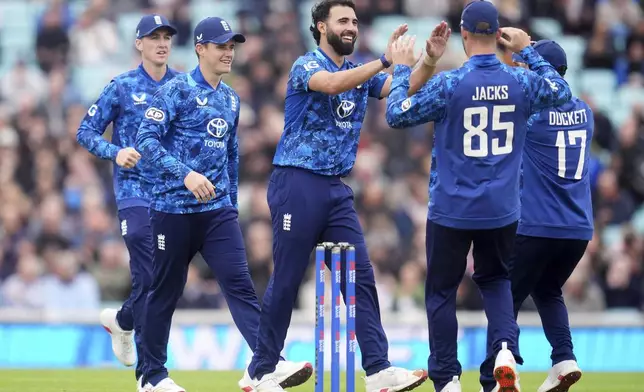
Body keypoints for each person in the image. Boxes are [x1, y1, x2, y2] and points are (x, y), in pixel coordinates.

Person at [244, 0, 450, 391]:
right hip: (297, 182)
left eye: (354, 21)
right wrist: (385, 62)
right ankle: (260, 370)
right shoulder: (307, 65)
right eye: (342, 21)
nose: (351, 27)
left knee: (359, 277)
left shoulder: (362, 72)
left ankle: (377, 369)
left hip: (336, 188)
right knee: (287, 277)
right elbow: (334, 84)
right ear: (321, 27)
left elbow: (400, 89)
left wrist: (428, 59)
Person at [384, 1, 574, 392]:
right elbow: (561, 89)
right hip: (502, 209)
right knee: (496, 280)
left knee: (440, 292)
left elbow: (396, 114)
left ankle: (448, 378)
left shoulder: (451, 83)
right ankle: (505, 348)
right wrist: (527, 50)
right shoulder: (520, 81)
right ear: (498, 33)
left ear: (464, 35)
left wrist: (408, 67)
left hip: (451, 208)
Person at [135, 17, 310, 392]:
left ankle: (265, 366)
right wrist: (185, 174)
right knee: (164, 290)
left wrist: (229, 203)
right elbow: (144, 139)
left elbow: (231, 156)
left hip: (216, 213)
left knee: (241, 286)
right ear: (200, 49)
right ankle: (151, 377)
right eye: (221, 46)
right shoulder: (176, 89)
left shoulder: (231, 98)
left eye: (232, 46)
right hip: (171, 209)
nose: (229, 52)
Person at [76, 14, 179, 392]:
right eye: (154, 37)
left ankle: (122, 320)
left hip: (173, 197)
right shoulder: (121, 86)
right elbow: (85, 132)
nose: (162, 43)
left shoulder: (183, 87)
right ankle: (150, 378)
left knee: (161, 280)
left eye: (167, 37)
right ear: (139, 43)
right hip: (134, 193)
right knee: (150, 274)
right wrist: (116, 152)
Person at [510, 40, 592, 392]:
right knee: (547, 288)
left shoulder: (531, 112)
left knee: (503, 296)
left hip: (538, 223)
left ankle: (502, 367)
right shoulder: (586, 112)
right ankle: (564, 358)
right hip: (578, 229)